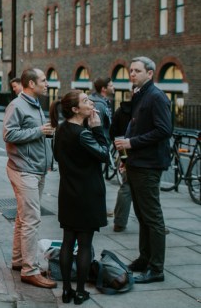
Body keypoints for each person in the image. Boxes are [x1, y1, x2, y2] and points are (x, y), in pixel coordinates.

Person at [114, 56, 172, 284]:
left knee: (152, 217)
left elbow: (164, 130)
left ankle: (156, 269)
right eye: (131, 70)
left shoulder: (156, 96)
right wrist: (126, 158)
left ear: (150, 73)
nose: (132, 73)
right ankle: (144, 258)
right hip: (137, 163)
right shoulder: (140, 94)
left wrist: (131, 144)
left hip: (149, 165)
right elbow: (136, 127)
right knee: (141, 215)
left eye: (137, 70)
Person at [50, 90, 108, 304]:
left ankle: (66, 290)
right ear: (75, 109)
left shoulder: (61, 130)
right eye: (85, 101)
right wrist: (98, 129)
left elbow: (57, 156)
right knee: (84, 244)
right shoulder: (82, 133)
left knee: (67, 241)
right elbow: (104, 155)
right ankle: (80, 291)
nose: (90, 102)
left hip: (68, 191)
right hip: (87, 193)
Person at [2, 68, 57, 289]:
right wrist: (38, 132)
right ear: (31, 84)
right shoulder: (17, 105)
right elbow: (9, 134)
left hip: (36, 169)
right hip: (24, 169)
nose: (47, 83)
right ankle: (30, 269)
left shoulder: (34, 104)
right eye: (44, 80)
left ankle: (19, 260)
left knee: (23, 218)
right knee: (31, 220)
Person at [110, 99, 133, 232]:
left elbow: (113, 133)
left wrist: (121, 151)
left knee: (126, 186)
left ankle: (119, 221)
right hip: (141, 152)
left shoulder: (120, 110)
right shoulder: (142, 110)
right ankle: (152, 223)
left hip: (124, 151)